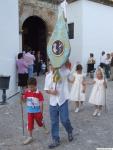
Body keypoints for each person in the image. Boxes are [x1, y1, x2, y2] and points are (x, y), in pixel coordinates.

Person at [44, 64, 73, 149]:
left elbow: (71, 77)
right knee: (54, 122)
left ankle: (69, 130)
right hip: (53, 102)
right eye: (51, 64)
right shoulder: (48, 76)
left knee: (64, 120)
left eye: (54, 64)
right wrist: (51, 92)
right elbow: (46, 89)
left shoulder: (64, 71)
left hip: (62, 100)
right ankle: (55, 139)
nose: (53, 66)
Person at [21, 77, 48, 145]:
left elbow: (41, 103)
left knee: (40, 122)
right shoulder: (27, 92)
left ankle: (44, 127)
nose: (30, 89)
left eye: (32, 87)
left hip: (37, 111)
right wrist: (22, 98)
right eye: (29, 87)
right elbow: (24, 101)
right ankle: (30, 137)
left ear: (35, 85)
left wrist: (41, 112)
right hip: (30, 111)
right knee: (30, 123)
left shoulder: (39, 93)